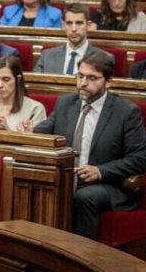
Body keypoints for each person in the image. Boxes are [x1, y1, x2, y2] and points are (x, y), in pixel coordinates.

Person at [32, 50, 146, 239]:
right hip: (67, 179)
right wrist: (26, 131)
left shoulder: (126, 112)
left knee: (84, 196)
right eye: (80, 76)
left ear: (108, 81)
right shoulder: (65, 104)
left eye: (92, 78)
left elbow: (140, 158)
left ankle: (82, 255)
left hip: (109, 185)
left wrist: (100, 171)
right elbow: (40, 134)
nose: (83, 83)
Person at [34, 3, 108, 75]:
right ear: (63, 25)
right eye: (69, 23)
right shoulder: (46, 56)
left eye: (79, 23)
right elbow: (35, 82)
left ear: (88, 25)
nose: (74, 29)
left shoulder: (103, 58)